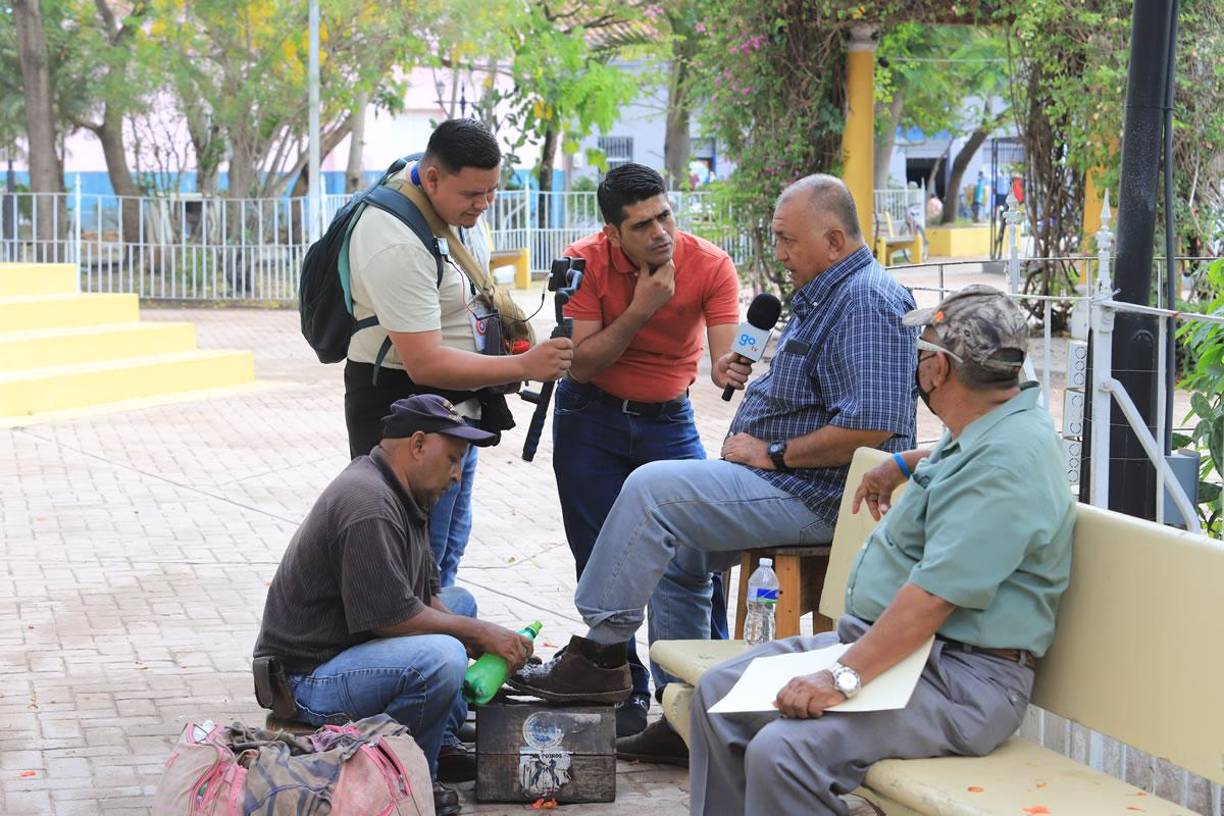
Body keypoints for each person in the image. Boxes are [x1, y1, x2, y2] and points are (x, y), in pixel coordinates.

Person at [510, 174, 917, 765]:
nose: (777, 254)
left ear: (833, 240)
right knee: (676, 547)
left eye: (786, 241)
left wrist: (772, 452)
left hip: (815, 493)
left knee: (653, 491)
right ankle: (685, 715)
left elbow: (873, 426)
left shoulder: (866, 299)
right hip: (774, 478)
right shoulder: (828, 291)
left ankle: (598, 655)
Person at [686, 285, 1075, 816]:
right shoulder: (996, 422)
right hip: (906, 655)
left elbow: (933, 599)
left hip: (960, 679)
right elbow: (971, 455)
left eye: (922, 349)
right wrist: (907, 461)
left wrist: (840, 677)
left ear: (937, 369)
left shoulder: (1006, 466)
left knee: (784, 754)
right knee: (717, 696)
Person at [253, 395, 535, 816]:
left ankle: (441, 733)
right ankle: (411, 776)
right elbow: (392, 619)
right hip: (304, 681)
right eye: (453, 459)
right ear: (418, 445)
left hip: (347, 649)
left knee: (461, 604)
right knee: (442, 657)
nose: (457, 475)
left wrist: (477, 635)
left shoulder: (405, 490)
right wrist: (477, 635)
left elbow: (429, 601)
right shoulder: (369, 504)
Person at [552, 163, 742, 737]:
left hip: (669, 419)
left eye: (665, 216)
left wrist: (728, 366)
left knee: (694, 557)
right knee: (601, 555)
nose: (660, 232)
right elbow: (581, 362)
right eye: (641, 225)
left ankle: (693, 692)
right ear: (612, 232)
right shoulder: (583, 262)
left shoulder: (709, 264)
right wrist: (640, 308)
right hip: (591, 417)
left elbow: (723, 359)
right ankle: (623, 688)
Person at [343, 119, 573, 589]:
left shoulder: (449, 207)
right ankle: (420, 655)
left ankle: (445, 646)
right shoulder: (393, 238)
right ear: (431, 179)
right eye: (473, 194)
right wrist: (524, 366)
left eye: (491, 192)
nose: (484, 205)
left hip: (457, 405)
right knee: (412, 564)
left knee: (446, 548)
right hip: (402, 409)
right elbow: (424, 361)